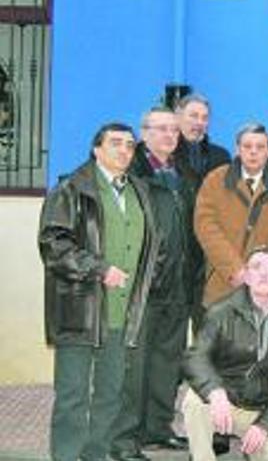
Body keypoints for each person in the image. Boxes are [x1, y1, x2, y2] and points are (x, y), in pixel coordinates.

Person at [39, 122, 161, 461]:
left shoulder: (139, 189)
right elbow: (53, 243)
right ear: (97, 149)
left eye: (130, 145)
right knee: (73, 395)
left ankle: (94, 455)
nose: (124, 150)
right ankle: (65, 456)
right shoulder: (71, 189)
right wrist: (99, 268)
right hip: (81, 310)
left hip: (124, 313)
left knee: (110, 393)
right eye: (116, 143)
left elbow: (150, 245)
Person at [110, 107, 200, 459]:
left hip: (178, 285)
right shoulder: (131, 173)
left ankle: (157, 430)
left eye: (174, 131)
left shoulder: (185, 173)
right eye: (160, 129)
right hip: (141, 286)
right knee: (133, 368)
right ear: (143, 133)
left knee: (166, 363)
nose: (168, 136)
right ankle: (123, 440)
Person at [182, 247, 268, 461]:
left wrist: (265, 425)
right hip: (226, 402)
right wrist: (214, 391)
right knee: (194, 400)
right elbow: (196, 357)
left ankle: (254, 450)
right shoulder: (221, 312)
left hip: (263, 409)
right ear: (247, 276)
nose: (264, 273)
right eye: (257, 267)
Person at [194, 123, 268, 307]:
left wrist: (265, 270)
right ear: (237, 149)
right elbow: (205, 227)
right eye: (247, 146)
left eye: (260, 147)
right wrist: (235, 269)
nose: (253, 152)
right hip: (224, 282)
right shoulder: (215, 180)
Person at [175, 94, 231, 180]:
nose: (199, 122)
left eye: (205, 118)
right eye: (194, 116)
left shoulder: (221, 156)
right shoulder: (167, 153)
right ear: (178, 117)